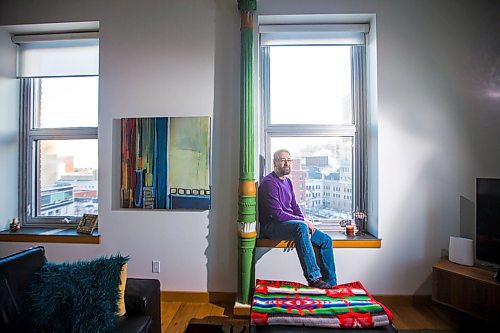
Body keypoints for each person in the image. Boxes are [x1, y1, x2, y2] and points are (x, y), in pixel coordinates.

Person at [258, 149, 337, 289]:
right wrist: (302, 223)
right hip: (271, 226)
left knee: (325, 240)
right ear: (275, 162)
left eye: (289, 160)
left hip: (289, 225)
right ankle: (314, 278)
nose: (287, 163)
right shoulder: (269, 183)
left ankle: (331, 285)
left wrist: (300, 221)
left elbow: (295, 206)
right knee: (301, 227)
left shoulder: (287, 182)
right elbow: (277, 214)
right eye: (283, 160)